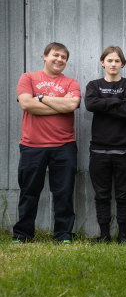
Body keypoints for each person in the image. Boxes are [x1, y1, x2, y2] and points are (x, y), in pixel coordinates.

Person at [12, 42, 81, 244]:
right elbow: (26, 103)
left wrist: (40, 98)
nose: (59, 60)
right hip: (32, 145)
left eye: (63, 57)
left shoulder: (71, 83)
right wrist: (60, 105)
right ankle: (22, 234)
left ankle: (63, 235)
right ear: (45, 56)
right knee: (29, 192)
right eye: (55, 55)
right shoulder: (28, 78)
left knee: (64, 192)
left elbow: (71, 104)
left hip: (64, 145)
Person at [85, 46, 126, 243]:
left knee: (124, 195)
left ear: (122, 64)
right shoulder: (93, 85)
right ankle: (105, 235)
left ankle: (123, 236)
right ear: (103, 63)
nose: (113, 64)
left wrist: (104, 103)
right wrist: (117, 100)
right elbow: (90, 105)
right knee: (102, 195)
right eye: (110, 60)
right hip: (99, 150)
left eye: (117, 61)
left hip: (125, 150)